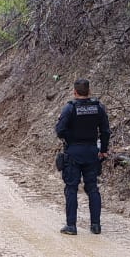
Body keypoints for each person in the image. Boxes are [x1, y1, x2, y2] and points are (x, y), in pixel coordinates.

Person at [55, 78, 111, 235]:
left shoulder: (69, 108)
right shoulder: (98, 107)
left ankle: (71, 226)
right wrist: (103, 149)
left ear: (74, 92)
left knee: (71, 188)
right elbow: (105, 131)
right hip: (92, 152)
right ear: (89, 91)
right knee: (93, 188)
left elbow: (59, 130)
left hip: (73, 152)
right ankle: (96, 225)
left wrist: (70, 139)